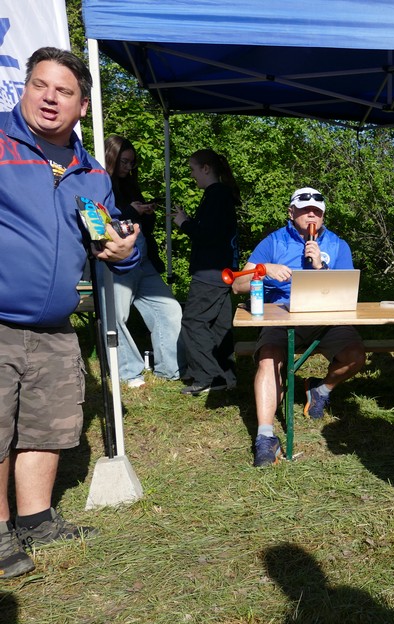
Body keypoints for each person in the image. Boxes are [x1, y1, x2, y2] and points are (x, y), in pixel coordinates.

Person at [0, 47, 141, 579]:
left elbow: (109, 239)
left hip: (57, 324)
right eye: (40, 85)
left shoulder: (91, 173)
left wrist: (126, 249)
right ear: (25, 88)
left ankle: (37, 519)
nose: (49, 98)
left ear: (82, 106)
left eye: (64, 91)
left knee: (48, 423)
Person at [231, 188, 366, 468]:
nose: (312, 215)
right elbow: (237, 284)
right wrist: (264, 269)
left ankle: (321, 390)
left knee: (355, 356)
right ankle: (265, 438)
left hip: (324, 317)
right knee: (269, 360)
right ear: (291, 213)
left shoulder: (337, 245)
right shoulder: (273, 242)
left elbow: (347, 291)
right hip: (280, 316)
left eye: (317, 211)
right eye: (305, 211)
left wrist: (321, 268)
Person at [105, 135, 185, 388]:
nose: (129, 167)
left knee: (169, 308)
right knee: (116, 316)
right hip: (116, 260)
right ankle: (128, 372)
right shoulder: (99, 184)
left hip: (142, 257)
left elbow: (142, 227)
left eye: (132, 163)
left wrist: (146, 213)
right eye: (124, 162)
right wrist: (131, 211)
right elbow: (103, 224)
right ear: (111, 158)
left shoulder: (130, 184)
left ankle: (171, 368)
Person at [173, 149, 240, 395]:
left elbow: (207, 235)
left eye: (193, 169)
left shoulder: (216, 195)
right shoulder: (222, 195)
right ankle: (225, 374)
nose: (192, 175)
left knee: (194, 322)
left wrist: (184, 224)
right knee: (219, 325)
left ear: (206, 169)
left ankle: (208, 376)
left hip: (210, 272)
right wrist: (190, 221)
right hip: (224, 270)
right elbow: (216, 232)